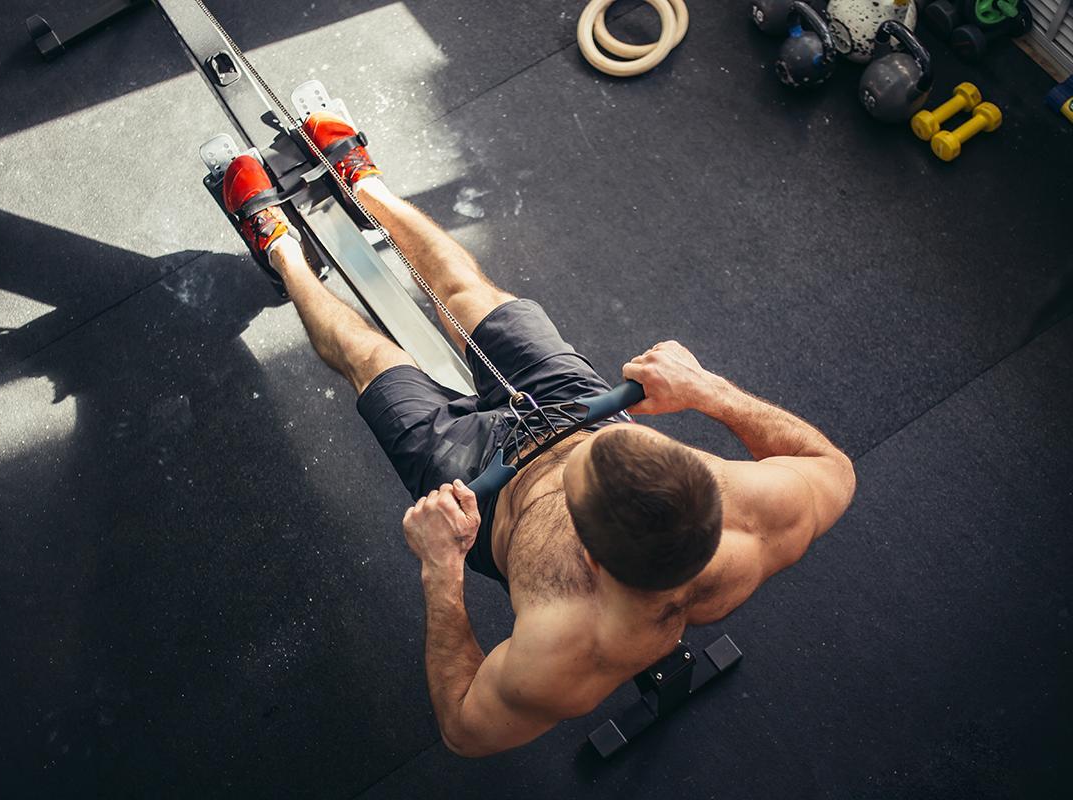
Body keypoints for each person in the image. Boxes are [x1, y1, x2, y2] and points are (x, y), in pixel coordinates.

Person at [220, 114, 856, 757]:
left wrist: (441, 567)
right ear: (700, 478)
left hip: (480, 494)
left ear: (595, 559)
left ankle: (281, 252)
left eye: (574, 483)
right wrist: (708, 390)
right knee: (470, 292)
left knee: (371, 361)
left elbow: (463, 728)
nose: (571, 458)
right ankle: (368, 189)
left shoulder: (565, 653)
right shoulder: (758, 511)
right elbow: (832, 465)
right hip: (578, 406)